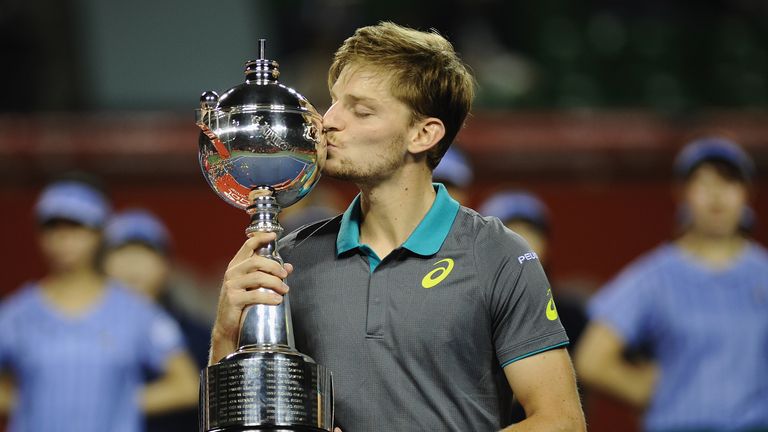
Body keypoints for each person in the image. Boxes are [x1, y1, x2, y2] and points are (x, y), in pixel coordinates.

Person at [210, 22, 585, 431]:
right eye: (333, 102)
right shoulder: (291, 257)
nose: (328, 122)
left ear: (423, 134)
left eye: (361, 110)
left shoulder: (498, 255)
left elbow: (560, 421)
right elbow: (244, 418)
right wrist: (226, 333)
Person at [575, 137, 768, 432]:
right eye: (704, 184)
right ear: (683, 194)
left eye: (728, 183)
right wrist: (643, 389)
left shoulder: (762, 273)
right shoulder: (655, 277)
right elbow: (592, 358)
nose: (716, 196)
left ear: (746, 193)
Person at [0, 178, 199, 432]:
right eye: (52, 226)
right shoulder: (17, 313)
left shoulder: (136, 312)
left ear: (100, 234)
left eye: (77, 226)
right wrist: (30, 399)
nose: (64, 237)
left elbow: (186, 384)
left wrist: (117, 402)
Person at [103, 209, 212, 432]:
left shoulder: (200, 338)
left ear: (166, 266)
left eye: (144, 252)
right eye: (122, 252)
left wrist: (108, 404)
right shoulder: (83, 330)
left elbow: (193, 391)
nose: (132, 264)